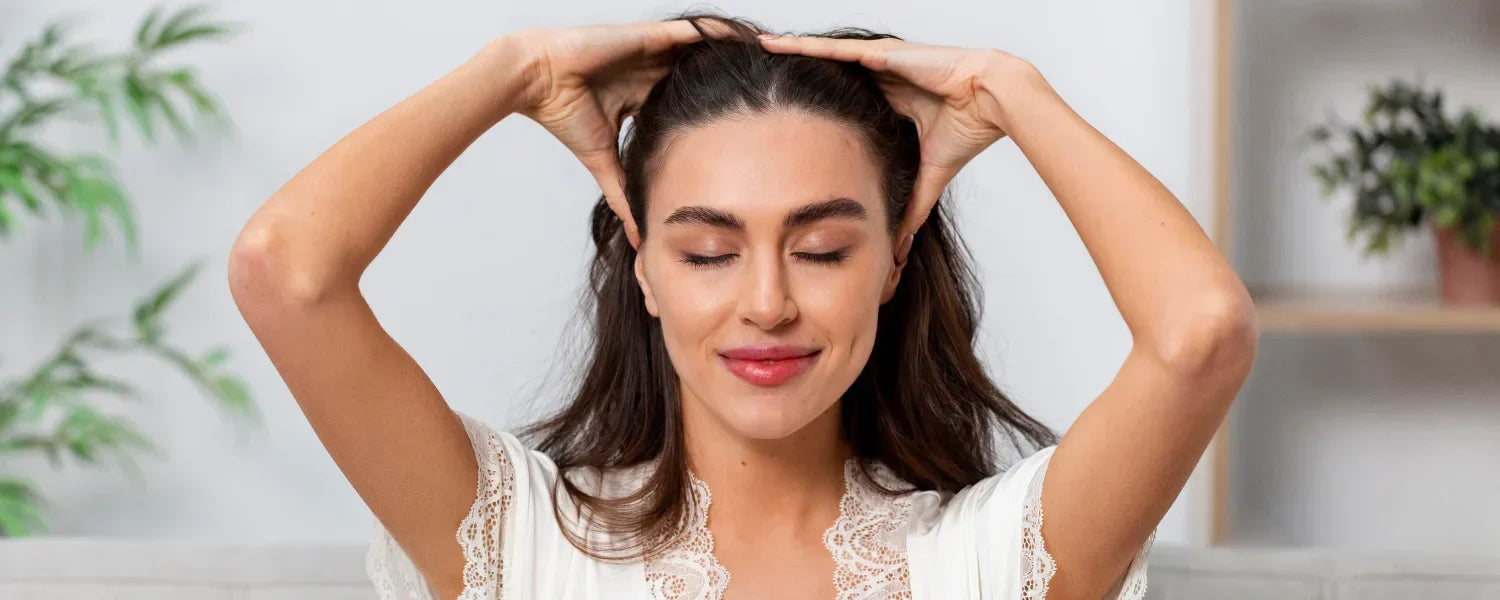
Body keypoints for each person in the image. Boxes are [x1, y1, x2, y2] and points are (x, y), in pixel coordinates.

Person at [229, 12, 1258, 600]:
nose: (767, 303)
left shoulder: (989, 558)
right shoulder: (520, 542)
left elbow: (1201, 332)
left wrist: (1010, 93)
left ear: (893, 261)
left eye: (821, 250)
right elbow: (285, 272)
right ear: (644, 267)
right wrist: (517, 70)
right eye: (709, 252)